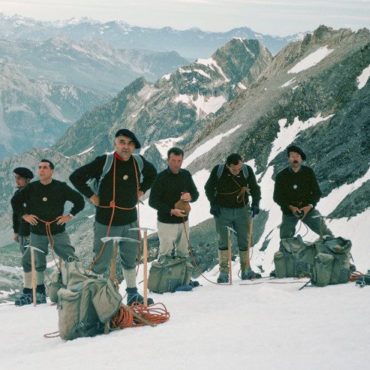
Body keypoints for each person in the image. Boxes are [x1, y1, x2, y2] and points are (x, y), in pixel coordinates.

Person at [70, 129, 157, 305]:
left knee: (130, 258)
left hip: (130, 219)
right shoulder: (105, 162)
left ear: (134, 147)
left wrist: (142, 190)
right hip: (106, 220)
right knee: (101, 260)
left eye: (130, 143)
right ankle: (95, 298)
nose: (126, 146)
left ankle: (132, 294)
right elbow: (76, 177)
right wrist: (92, 196)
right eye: (122, 142)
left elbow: (152, 173)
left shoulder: (138, 162)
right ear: (115, 143)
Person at [11, 159, 84, 306]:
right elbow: (15, 202)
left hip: (57, 231)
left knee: (70, 257)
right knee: (37, 262)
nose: (41, 170)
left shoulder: (60, 187)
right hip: (37, 232)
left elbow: (79, 200)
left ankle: (77, 288)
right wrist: (25, 215)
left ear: (51, 171)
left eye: (45, 167)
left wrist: (69, 216)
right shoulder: (31, 188)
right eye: (39, 168)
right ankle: (40, 293)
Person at [205, 153, 261, 283]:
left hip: (242, 210)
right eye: (234, 169)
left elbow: (254, 188)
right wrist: (213, 203)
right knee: (223, 241)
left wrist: (256, 203)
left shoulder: (247, 170)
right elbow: (208, 188)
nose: (237, 171)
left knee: (244, 239)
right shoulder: (218, 171)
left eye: (239, 168)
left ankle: (246, 270)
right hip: (222, 211)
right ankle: (224, 273)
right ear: (227, 166)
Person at [149, 147, 199, 262]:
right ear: (168, 160)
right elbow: (152, 201)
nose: (176, 164)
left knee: (183, 253)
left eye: (179, 161)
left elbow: (195, 194)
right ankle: (165, 280)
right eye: (173, 160)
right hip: (166, 223)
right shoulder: (160, 178)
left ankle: (182, 280)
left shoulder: (186, 175)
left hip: (183, 222)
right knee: (165, 255)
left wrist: (190, 197)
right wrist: (171, 211)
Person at [273, 145, 333, 240]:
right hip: (289, 211)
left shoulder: (308, 172)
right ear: (288, 159)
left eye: (297, 156)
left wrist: (309, 206)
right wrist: (291, 207)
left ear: (301, 159)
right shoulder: (281, 176)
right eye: (292, 156)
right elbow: (277, 197)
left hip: (308, 209)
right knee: (285, 238)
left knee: (325, 233)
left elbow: (317, 192)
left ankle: (336, 252)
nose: (295, 159)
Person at [12, 167, 34, 252]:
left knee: (32, 260)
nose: (16, 181)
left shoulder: (33, 193)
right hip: (22, 232)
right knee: (27, 259)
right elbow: (15, 214)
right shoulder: (17, 193)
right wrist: (16, 232)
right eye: (16, 178)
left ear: (27, 180)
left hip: (32, 233)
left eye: (19, 178)